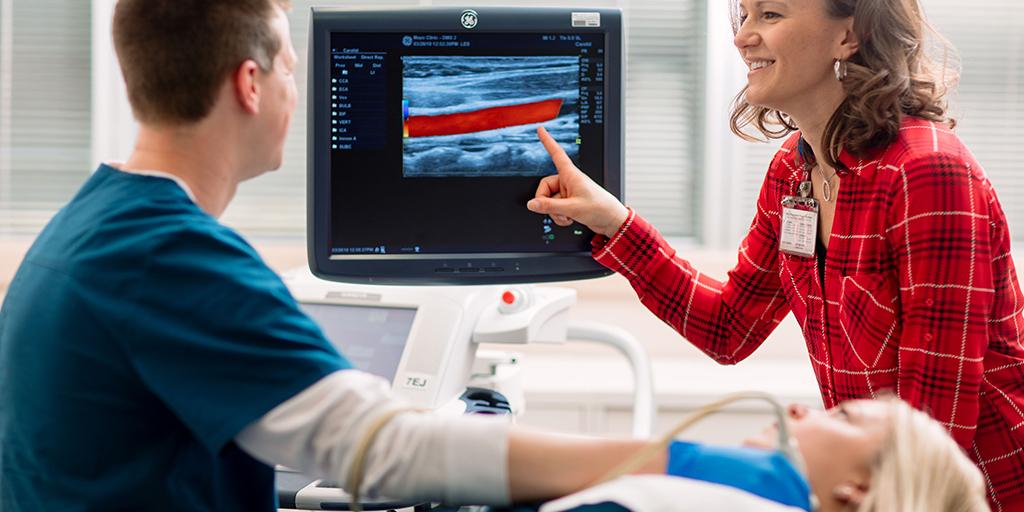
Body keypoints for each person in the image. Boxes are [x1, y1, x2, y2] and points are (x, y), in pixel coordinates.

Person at [0, 1, 669, 510]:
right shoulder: (174, 260)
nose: (301, 91)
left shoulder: (88, 224)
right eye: (291, 67)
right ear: (250, 85)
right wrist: (664, 460)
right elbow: (384, 452)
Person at [527, 0, 1024, 509]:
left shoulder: (925, 172)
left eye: (771, 15)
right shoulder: (793, 173)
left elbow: (933, 431)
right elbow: (728, 329)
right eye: (744, 16)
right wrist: (614, 222)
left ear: (848, 37)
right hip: (869, 490)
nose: (743, 37)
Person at [542, 395, 990, 512]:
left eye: (843, 417)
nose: (797, 406)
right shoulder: (792, 176)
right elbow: (729, 327)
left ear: (859, 489)